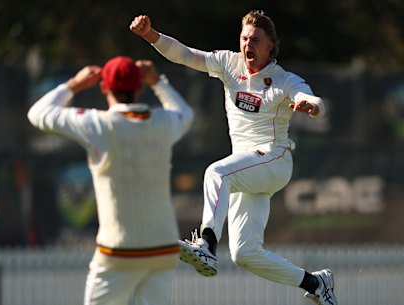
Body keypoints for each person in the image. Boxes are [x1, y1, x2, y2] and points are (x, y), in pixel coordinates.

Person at [130, 10, 337, 305]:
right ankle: (316, 283)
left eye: (255, 39)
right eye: (244, 38)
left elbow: (308, 96)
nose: (247, 44)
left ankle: (206, 244)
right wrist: (150, 35)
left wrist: (311, 106)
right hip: (248, 168)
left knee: (217, 173)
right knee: (245, 254)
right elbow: (186, 55)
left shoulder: (283, 79)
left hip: (274, 161)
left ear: (270, 46)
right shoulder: (230, 63)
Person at [27, 57, 194, 305]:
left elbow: (37, 114)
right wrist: (157, 81)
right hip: (163, 247)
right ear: (139, 88)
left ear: (105, 88)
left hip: (119, 251)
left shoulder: (98, 124)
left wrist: (74, 84)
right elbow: (185, 113)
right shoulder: (163, 122)